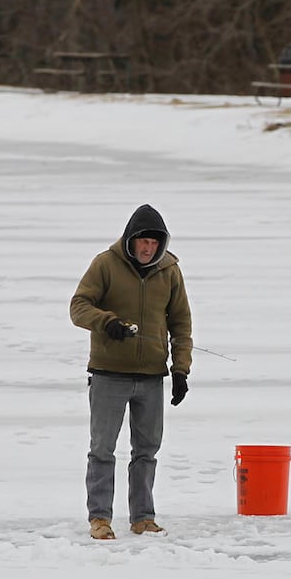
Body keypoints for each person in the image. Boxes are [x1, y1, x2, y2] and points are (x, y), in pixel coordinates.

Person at [70, 204, 193, 540]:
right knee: (102, 450)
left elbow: (181, 324)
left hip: (151, 378)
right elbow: (78, 306)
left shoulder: (170, 271)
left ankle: (142, 518)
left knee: (146, 451)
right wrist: (106, 322)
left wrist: (180, 370)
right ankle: (100, 518)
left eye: (154, 242)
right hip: (109, 374)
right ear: (130, 240)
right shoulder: (105, 264)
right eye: (142, 242)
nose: (148, 248)